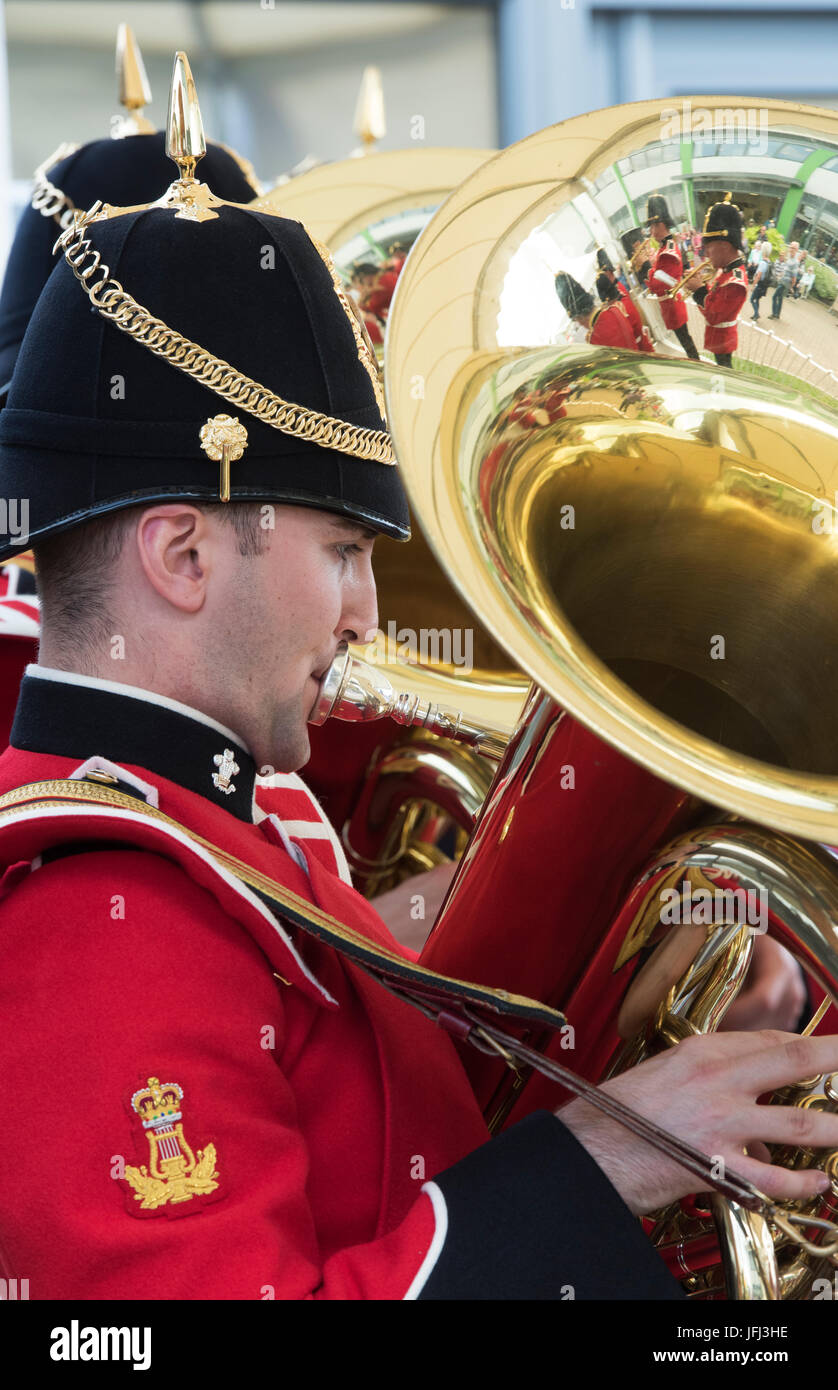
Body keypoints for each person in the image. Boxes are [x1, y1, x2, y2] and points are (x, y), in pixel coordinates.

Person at [1, 61, 836, 1304]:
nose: (369, 616)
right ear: (182, 553)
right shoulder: (101, 913)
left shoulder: (230, 819)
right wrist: (605, 1158)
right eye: (342, 553)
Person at [686, 195, 749, 367]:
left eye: (708, 248)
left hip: (723, 340)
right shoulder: (728, 271)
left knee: (724, 371)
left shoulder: (735, 281)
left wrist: (698, 290)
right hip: (718, 338)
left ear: (725, 246)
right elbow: (715, 297)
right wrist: (701, 285)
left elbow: (714, 315)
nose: (705, 254)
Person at [644, 195, 700, 359]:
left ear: (660, 225)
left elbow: (658, 285)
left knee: (685, 340)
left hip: (672, 304)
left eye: (652, 227)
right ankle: (694, 360)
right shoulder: (665, 248)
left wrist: (648, 268)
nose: (651, 232)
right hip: (671, 304)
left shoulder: (667, 252)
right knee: (685, 338)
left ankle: (696, 362)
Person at [749, 243, 773, 320]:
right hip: (764, 285)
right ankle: (755, 314)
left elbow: (758, 276)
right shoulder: (769, 262)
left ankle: (756, 314)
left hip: (760, 284)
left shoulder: (762, 262)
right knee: (757, 299)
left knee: (752, 299)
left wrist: (753, 285)